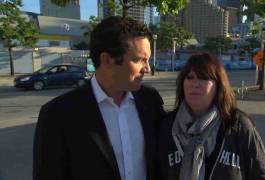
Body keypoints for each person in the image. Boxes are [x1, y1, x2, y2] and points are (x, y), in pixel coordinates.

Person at [33, 16, 166, 180]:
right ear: (107, 60)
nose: (147, 68)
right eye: (139, 60)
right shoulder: (58, 114)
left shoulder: (150, 101)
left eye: (148, 60)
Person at [158, 52, 265, 180]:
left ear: (218, 86)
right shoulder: (168, 126)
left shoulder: (238, 126)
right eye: (190, 77)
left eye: (203, 78)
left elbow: (261, 175)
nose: (195, 84)